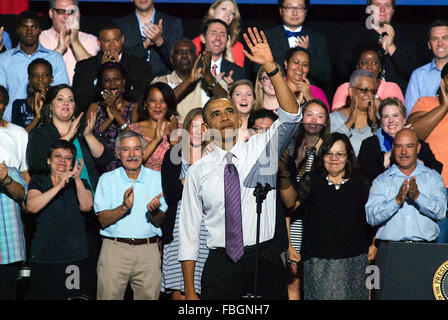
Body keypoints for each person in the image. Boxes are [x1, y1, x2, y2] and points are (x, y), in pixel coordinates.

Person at [179, 27, 301, 300]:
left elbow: (292, 116)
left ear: (237, 119)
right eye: (216, 114)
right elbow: (187, 232)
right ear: (208, 125)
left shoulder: (262, 148)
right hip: (221, 264)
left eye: (229, 111)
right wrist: (189, 289)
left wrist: (270, 66)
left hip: (265, 260)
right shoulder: (198, 171)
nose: (224, 117)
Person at [279, 133, 371, 300]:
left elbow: (373, 218)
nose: (334, 158)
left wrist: (374, 245)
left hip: (355, 261)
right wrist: (289, 246)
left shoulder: (361, 182)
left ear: (348, 156)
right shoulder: (311, 180)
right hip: (318, 262)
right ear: (322, 157)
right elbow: (287, 211)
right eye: (329, 153)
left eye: (340, 154)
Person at [365, 128, 447, 299]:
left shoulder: (433, 178)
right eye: (399, 146)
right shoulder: (381, 181)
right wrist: (395, 202)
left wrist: (418, 197)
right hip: (388, 252)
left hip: (425, 252)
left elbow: (441, 213)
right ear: (393, 149)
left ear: (418, 148)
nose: (403, 152)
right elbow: (371, 217)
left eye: (409, 146)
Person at [94, 129, 168, 300]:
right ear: (118, 154)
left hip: (148, 251)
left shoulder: (157, 179)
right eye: (126, 150)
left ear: (143, 152)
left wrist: (155, 211)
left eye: (136, 149)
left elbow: (158, 222)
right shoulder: (107, 179)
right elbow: (102, 220)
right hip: (114, 250)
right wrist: (124, 207)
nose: (132, 154)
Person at [26, 139, 93, 300]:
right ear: (48, 160)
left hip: (74, 259)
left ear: (73, 163)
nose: (62, 160)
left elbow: (87, 206)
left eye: (68, 158)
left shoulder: (81, 183)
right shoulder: (38, 182)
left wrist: (76, 179)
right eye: (57, 156)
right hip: (44, 257)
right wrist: (59, 185)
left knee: (73, 297)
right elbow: (32, 207)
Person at [278, 99, 329, 300]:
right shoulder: (290, 147)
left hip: (318, 222)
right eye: (309, 114)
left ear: (326, 121)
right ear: (301, 118)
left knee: (317, 280)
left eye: (319, 116)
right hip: (293, 220)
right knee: (293, 278)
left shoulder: (330, 150)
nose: (314, 120)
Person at [160, 108, 211, 300]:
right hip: (179, 231)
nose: (198, 131)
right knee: (180, 292)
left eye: (203, 126)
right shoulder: (174, 155)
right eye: (194, 126)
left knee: (206, 289)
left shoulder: (218, 158)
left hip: (209, 233)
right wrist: (196, 170)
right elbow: (171, 195)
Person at [336, 0, 427, 94]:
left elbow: (416, 74)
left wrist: (392, 48)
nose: (382, 9)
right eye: (377, 5)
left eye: (387, 5)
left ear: (393, 11)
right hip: (364, 99)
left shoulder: (406, 37)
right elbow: (344, 70)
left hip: (396, 102)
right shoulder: (353, 36)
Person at [0, 10, 69, 122]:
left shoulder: (54, 58)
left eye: (34, 27)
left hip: (48, 121)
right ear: (17, 30)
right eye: (24, 27)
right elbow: (1, 95)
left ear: (40, 30)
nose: (29, 31)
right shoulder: (4, 59)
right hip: (11, 123)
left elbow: (62, 93)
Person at [407, 62, 448, 243]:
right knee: (437, 255)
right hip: (437, 189)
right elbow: (413, 132)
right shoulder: (426, 103)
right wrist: (444, 106)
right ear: (443, 82)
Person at [72, 23, 153, 114]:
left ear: (122, 40)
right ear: (99, 43)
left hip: (130, 119)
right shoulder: (84, 66)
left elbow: (140, 100)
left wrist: (121, 72)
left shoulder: (140, 66)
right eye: (107, 41)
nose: (112, 45)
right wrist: (100, 73)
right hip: (95, 119)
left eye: (116, 40)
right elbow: (80, 103)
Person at [251, 0, 330, 91]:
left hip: (308, 94)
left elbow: (325, 76)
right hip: (274, 92)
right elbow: (257, 70)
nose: (295, 12)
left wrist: (307, 54)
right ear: (281, 10)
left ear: (306, 11)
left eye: (300, 8)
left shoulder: (318, 38)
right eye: (289, 7)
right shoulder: (267, 37)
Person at [358, 97, 442, 183]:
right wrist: (396, 149)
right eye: (386, 116)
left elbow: (436, 170)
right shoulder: (369, 144)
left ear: (404, 120)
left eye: (395, 115)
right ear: (381, 121)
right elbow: (366, 174)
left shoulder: (418, 143)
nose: (391, 121)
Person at [151, 39, 227, 124]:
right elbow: (159, 105)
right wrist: (188, 81)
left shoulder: (210, 80)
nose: (184, 55)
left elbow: (227, 103)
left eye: (189, 52)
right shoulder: (160, 82)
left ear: (196, 58)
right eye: (179, 52)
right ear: (171, 60)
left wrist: (208, 77)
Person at [86, 62, 139, 172]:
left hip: (127, 166)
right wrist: (109, 120)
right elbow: (89, 137)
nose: (112, 83)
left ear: (124, 82)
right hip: (101, 166)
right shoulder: (95, 107)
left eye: (116, 79)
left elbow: (133, 136)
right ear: (102, 84)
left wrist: (115, 112)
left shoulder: (134, 107)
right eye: (107, 80)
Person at [113, 0, 183, 77]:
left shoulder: (172, 23)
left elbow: (178, 63)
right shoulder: (120, 25)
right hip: (131, 80)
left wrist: (159, 41)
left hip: (165, 81)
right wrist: (145, 44)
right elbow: (119, 60)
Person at [39, 0, 100, 84]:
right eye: (61, 12)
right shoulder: (41, 39)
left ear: (77, 14)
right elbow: (39, 74)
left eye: (71, 12)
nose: (66, 17)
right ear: (51, 13)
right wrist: (59, 50)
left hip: (82, 95)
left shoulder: (91, 40)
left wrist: (75, 42)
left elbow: (93, 74)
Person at [332, 42, 404, 111]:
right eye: (364, 63)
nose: (369, 67)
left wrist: (377, 100)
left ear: (380, 67)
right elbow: (336, 117)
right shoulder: (345, 88)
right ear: (357, 67)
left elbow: (399, 116)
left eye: (375, 63)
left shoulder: (391, 88)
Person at [128, 82, 178, 172]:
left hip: (170, 183)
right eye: (153, 100)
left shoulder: (178, 128)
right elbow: (132, 163)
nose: (158, 105)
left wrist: (173, 137)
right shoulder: (133, 130)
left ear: (168, 104)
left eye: (162, 101)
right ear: (145, 103)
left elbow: (182, 163)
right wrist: (155, 140)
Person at [330, 69, 378, 156]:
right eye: (364, 90)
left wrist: (375, 123)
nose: (369, 95)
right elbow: (330, 149)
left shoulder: (379, 119)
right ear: (351, 92)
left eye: (373, 91)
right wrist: (350, 122)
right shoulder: (334, 119)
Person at [405, 20, 448, 116]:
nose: (440, 44)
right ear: (429, 45)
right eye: (435, 39)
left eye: (445, 38)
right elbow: (411, 115)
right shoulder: (418, 75)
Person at [192, 0, 244, 68]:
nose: (228, 14)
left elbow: (238, 76)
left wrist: (229, 54)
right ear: (212, 12)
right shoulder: (195, 43)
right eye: (224, 9)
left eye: (232, 12)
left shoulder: (237, 47)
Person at [11, 58, 53, 132]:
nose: (40, 79)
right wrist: (37, 117)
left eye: (45, 75)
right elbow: (18, 138)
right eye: (35, 75)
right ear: (29, 79)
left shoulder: (58, 103)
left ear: (51, 78)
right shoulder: (19, 105)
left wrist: (47, 104)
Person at [199, 19, 246, 84]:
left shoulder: (237, 72)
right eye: (213, 33)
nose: (218, 38)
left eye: (222, 35)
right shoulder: (192, 67)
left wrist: (232, 90)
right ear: (203, 38)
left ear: (227, 40)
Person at [0, 86, 30, 184]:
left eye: (0, 102)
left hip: (10, 194)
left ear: (5, 104)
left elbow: (25, 173)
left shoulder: (19, 134)